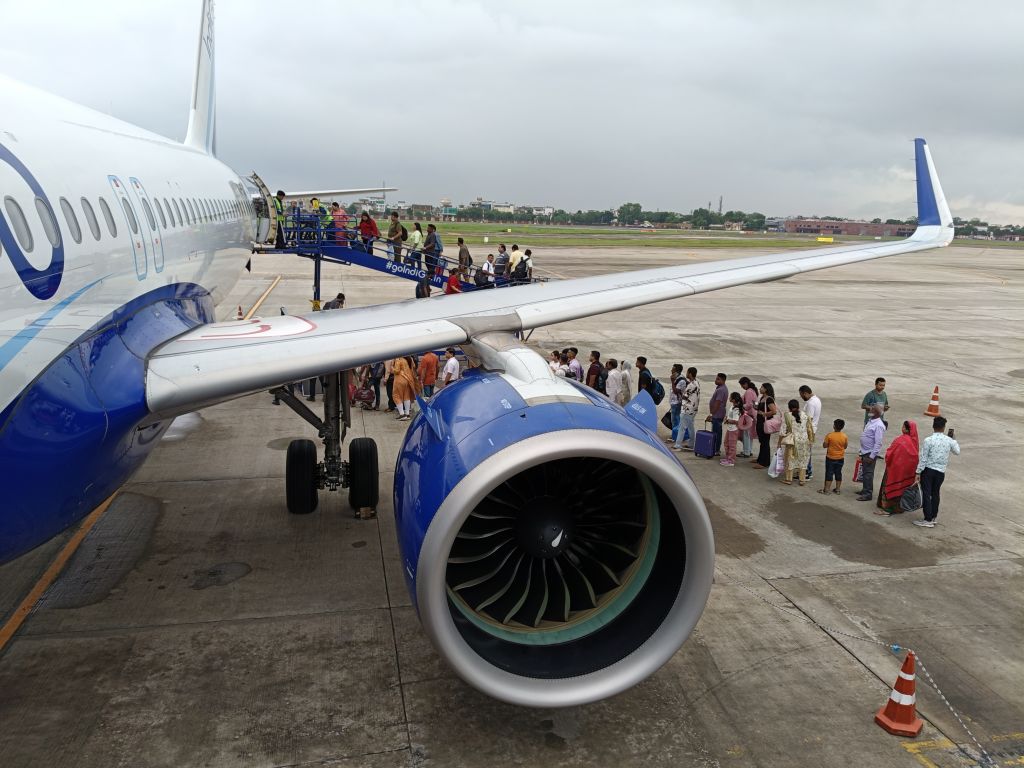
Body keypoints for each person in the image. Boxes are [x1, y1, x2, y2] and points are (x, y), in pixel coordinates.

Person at [913, 416, 961, 528]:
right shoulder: (949, 441)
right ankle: (933, 517)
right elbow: (957, 452)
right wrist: (953, 439)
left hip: (928, 470)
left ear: (933, 426)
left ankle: (927, 519)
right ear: (944, 427)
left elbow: (923, 458)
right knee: (935, 493)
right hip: (940, 472)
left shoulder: (928, 440)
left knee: (926, 493)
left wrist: (918, 472)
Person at [875, 420, 920, 515]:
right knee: (902, 488)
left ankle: (887, 509)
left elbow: (890, 454)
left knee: (891, 486)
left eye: (903, 426)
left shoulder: (900, 440)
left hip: (895, 470)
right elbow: (915, 458)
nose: (902, 428)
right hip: (907, 472)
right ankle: (900, 507)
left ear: (906, 429)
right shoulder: (914, 442)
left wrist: (888, 461)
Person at [778, 398, 814, 485]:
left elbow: (782, 431)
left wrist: (779, 442)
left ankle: (788, 479)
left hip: (792, 441)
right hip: (804, 440)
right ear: (798, 407)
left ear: (789, 407)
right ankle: (802, 480)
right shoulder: (805, 415)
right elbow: (810, 429)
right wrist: (811, 440)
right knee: (802, 459)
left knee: (790, 459)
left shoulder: (787, 416)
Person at [856, 404, 887, 500]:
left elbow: (878, 443)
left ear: (877, 413)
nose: (870, 410)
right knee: (865, 473)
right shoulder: (871, 421)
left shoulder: (879, 425)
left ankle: (868, 494)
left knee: (868, 474)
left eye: (872, 409)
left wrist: (872, 456)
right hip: (865, 451)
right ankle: (865, 490)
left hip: (870, 453)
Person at [673, 367, 700, 451]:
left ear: (690, 374)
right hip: (693, 409)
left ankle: (678, 444)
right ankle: (691, 444)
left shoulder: (691, 385)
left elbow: (684, 395)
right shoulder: (696, 383)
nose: (686, 374)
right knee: (690, 427)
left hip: (687, 409)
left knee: (682, 427)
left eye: (688, 373)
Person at [819, 419, 849, 495]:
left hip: (830, 457)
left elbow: (824, 445)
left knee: (829, 473)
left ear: (834, 426)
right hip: (840, 458)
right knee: (838, 473)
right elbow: (845, 446)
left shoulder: (829, 435)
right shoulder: (844, 436)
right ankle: (838, 489)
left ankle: (826, 490)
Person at [799, 385, 822, 479]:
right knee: (807, 451)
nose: (801, 397)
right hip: (813, 429)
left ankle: (807, 472)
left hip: (808, 430)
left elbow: (808, 419)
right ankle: (807, 471)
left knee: (806, 452)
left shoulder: (811, 403)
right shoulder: (816, 399)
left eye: (801, 395)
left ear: (805, 393)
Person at [753, 383, 778, 468]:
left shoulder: (769, 399)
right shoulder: (762, 398)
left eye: (762, 387)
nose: (760, 389)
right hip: (760, 422)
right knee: (762, 441)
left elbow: (774, 411)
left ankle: (764, 463)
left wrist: (764, 414)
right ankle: (760, 459)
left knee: (765, 442)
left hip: (765, 423)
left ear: (766, 389)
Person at [392, 355, 420, 421]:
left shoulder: (398, 360)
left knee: (396, 396)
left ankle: (402, 414)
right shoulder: (410, 359)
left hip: (399, 379)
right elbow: (414, 367)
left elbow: (397, 371)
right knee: (406, 396)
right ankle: (407, 414)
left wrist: (392, 368)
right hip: (408, 380)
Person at [721, 392, 743, 467]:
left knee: (732, 445)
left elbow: (736, 421)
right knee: (726, 443)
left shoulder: (737, 409)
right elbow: (728, 415)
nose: (729, 398)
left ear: (733, 399)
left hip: (734, 430)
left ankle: (731, 460)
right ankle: (728, 457)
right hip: (729, 428)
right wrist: (726, 418)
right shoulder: (732, 406)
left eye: (730, 397)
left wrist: (728, 421)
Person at [738, 377, 758, 458]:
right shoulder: (753, 391)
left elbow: (749, 404)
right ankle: (748, 451)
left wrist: (742, 406)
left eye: (742, 385)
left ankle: (746, 452)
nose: (742, 387)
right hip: (753, 415)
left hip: (749, 416)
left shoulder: (749, 392)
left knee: (746, 434)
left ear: (745, 384)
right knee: (750, 434)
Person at [708, 373, 728, 456]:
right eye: (716, 378)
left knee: (716, 432)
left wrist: (712, 413)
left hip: (717, 414)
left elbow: (717, 403)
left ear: (723, 380)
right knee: (717, 432)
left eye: (718, 379)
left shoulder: (721, 390)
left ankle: (716, 449)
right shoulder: (721, 388)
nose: (716, 380)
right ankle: (716, 448)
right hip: (718, 414)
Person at [667, 364, 683, 445]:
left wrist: (672, 381)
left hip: (677, 403)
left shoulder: (681, 380)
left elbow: (676, 391)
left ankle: (675, 436)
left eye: (673, 369)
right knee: (674, 420)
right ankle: (675, 435)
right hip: (673, 402)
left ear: (677, 371)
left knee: (675, 420)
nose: (671, 370)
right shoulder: (676, 378)